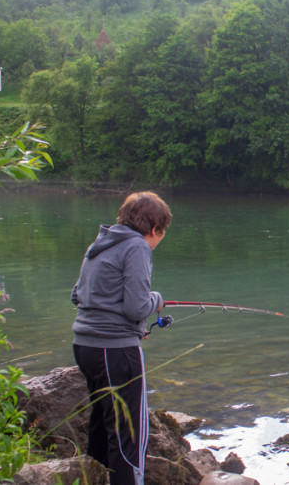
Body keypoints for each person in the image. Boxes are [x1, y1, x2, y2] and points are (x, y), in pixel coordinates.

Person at [71, 191, 171, 485]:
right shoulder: (138, 247)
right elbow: (136, 306)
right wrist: (157, 299)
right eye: (161, 234)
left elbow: (77, 294)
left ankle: (95, 478)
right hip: (115, 351)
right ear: (154, 229)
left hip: (84, 346)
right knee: (129, 439)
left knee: (103, 426)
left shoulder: (99, 243)